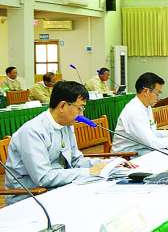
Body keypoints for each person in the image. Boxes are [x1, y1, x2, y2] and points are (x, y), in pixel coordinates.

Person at [3, 81, 135, 204]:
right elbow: (43, 178)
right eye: (80, 108)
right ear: (62, 106)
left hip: (57, 188)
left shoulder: (67, 125)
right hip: (30, 196)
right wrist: (89, 172)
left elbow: (76, 160)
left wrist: (108, 164)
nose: (82, 114)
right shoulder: (32, 131)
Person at [113, 72, 168, 156]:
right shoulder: (133, 111)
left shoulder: (146, 106)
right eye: (157, 93)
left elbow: (151, 132)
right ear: (146, 91)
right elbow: (152, 142)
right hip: (127, 157)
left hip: (142, 150)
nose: (159, 98)